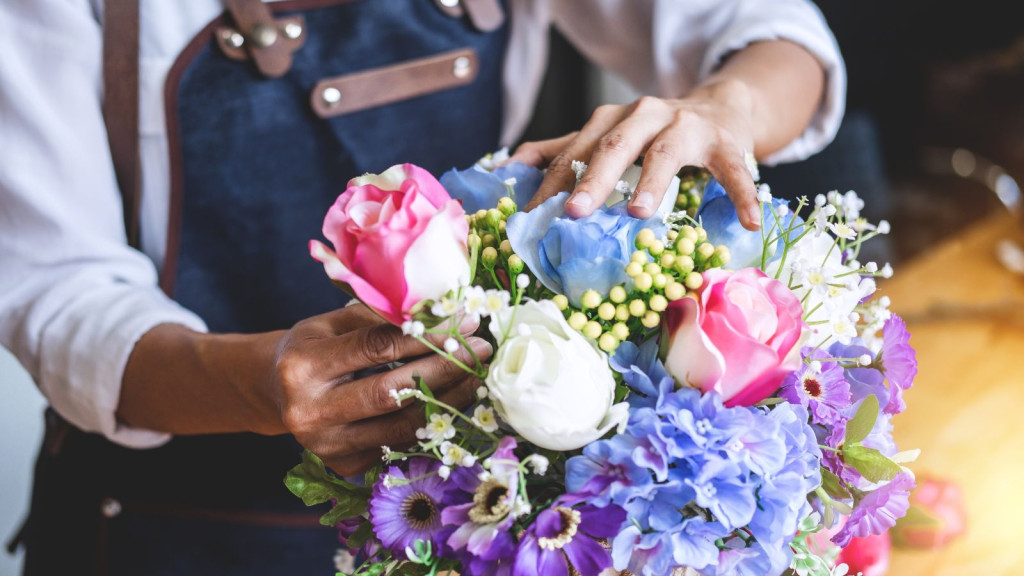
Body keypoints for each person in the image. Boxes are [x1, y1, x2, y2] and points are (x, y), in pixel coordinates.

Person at [0, 0, 845, 574]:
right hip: (164, 528)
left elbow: (775, 37)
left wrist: (726, 106)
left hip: (463, 523)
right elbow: (57, 291)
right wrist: (259, 385)